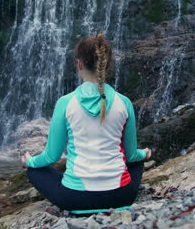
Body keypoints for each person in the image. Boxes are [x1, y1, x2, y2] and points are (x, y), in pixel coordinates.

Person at [21, 33, 152, 212]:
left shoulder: (65, 103)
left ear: (79, 64)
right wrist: (144, 154)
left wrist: (30, 160)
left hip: (76, 198)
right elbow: (131, 156)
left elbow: (51, 156)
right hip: (121, 196)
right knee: (137, 161)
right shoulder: (125, 103)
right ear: (108, 65)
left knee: (34, 170)